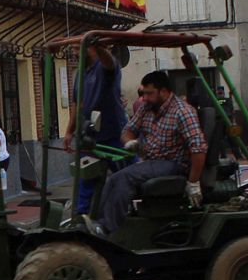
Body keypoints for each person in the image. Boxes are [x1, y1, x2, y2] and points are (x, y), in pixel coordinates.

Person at [94, 71, 207, 234]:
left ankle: (107, 228)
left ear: (163, 91)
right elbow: (127, 131)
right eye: (143, 93)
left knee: (125, 177)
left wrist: (193, 182)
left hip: (174, 164)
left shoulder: (183, 112)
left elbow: (198, 149)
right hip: (151, 161)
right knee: (112, 179)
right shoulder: (147, 108)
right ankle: (98, 222)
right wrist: (131, 142)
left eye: (149, 93)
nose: (144, 98)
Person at [63, 42, 127, 214]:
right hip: (90, 137)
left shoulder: (105, 67)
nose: (75, 53)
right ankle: (81, 219)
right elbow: (78, 104)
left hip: (114, 135)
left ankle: (130, 211)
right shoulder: (81, 74)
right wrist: (70, 131)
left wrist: (99, 47)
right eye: (74, 48)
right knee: (85, 178)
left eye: (78, 48)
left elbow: (109, 63)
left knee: (128, 175)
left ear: (91, 48)